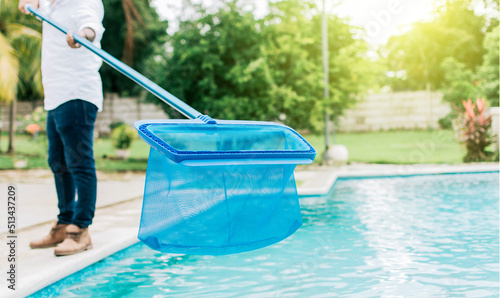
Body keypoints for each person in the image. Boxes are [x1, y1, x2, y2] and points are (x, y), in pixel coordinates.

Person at [19, 0, 105, 256]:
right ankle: (65, 221)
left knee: (79, 162)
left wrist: (83, 35)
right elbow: (36, 9)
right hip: (55, 95)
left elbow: (92, 25)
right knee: (57, 161)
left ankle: (80, 230)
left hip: (77, 93)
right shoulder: (51, 4)